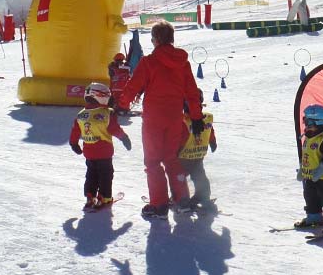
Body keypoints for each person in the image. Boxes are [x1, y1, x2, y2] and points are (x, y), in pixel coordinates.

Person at [118, 21, 205, 218]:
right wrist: (196, 117)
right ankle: (182, 200)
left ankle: (159, 205)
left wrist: (122, 104)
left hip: (154, 120)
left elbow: (133, 86)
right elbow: (191, 92)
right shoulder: (183, 63)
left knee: (153, 161)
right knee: (171, 158)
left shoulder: (149, 62)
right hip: (174, 118)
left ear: (156, 40)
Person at [69, 83, 133, 209]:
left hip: (89, 153)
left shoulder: (81, 114)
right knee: (106, 175)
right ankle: (105, 198)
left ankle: (90, 196)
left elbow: (75, 131)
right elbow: (114, 129)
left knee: (91, 174)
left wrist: (74, 143)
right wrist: (124, 138)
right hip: (104, 153)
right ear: (100, 96)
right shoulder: (107, 113)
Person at [176, 112, 217, 212]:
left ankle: (182, 199)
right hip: (199, 153)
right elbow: (210, 131)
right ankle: (203, 194)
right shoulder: (207, 118)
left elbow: (180, 137)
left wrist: (174, 151)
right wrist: (213, 142)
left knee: (178, 177)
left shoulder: (183, 120)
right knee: (199, 174)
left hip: (184, 155)